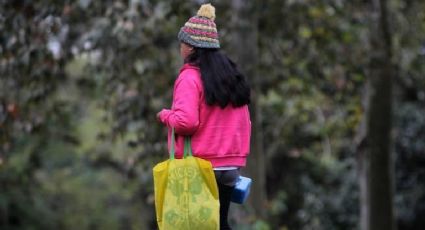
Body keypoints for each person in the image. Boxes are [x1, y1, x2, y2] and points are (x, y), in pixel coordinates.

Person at [157, 3, 251, 229]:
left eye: (182, 42)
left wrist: (165, 115)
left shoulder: (190, 77)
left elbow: (186, 122)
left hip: (200, 168)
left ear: (191, 47)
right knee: (219, 224)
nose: (181, 47)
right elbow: (245, 122)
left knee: (191, 225)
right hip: (230, 167)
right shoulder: (231, 77)